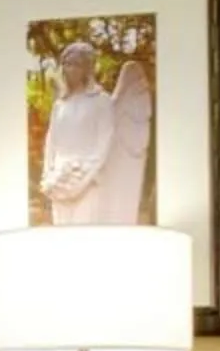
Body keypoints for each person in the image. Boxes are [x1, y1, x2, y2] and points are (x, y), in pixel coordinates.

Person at [37, 41, 153, 225]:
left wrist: (81, 180)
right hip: (59, 182)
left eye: (75, 64)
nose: (69, 69)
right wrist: (49, 176)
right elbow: (51, 143)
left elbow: (102, 148)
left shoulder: (101, 102)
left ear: (86, 68)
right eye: (66, 64)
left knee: (86, 235)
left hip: (88, 183)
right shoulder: (60, 105)